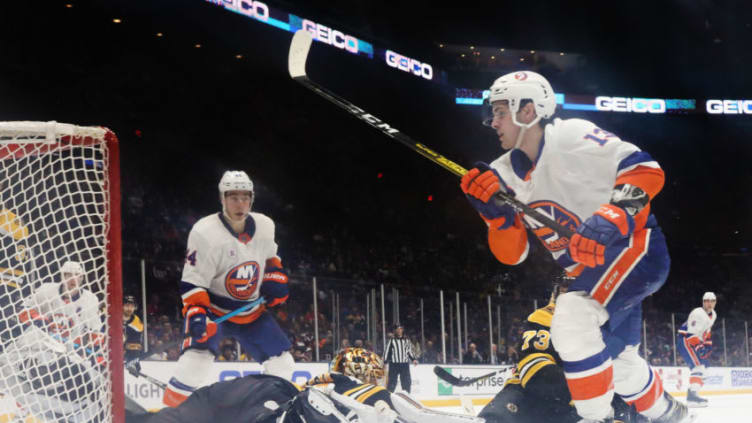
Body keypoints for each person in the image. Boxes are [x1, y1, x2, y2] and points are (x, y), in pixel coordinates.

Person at [461, 71, 687, 422]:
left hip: (635, 249)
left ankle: (595, 419)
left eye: (500, 111)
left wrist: (611, 216)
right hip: (592, 271)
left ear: (528, 110)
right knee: (621, 362)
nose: (492, 122)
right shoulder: (501, 173)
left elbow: (646, 169)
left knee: (572, 319)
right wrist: (497, 219)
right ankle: (670, 414)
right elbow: (513, 255)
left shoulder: (569, 135)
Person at [162, 170, 293, 407]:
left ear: (252, 199)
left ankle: (272, 413)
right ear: (222, 198)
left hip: (251, 311)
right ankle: (167, 413)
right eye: (233, 197)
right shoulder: (205, 232)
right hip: (214, 310)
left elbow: (272, 258)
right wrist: (197, 314)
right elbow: (194, 280)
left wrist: (276, 276)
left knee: (283, 365)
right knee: (195, 364)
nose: (240, 203)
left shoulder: (265, 226)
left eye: (245, 197)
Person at [478, 284, 650, 423]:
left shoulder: (608, 328)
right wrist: (586, 395)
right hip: (528, 396)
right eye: (565, 287)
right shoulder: (545, 316)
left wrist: (626, 409)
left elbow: (618, 378)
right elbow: (537, 375)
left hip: (571, 406)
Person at [677, 291, 717, 407]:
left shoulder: (713, 314)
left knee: (706, 370)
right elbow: (691, 334)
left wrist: (708, 345)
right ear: (703, 302)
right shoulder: (697, 313)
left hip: (695, 341)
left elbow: (706, 331)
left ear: (715, 303)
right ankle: (691, 398)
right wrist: (700, 347)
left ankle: (694, 393)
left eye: (712, 301)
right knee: (698, 367)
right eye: (707, 301)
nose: (709, 303)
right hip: (685, 339)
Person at [383, 324, 418, 393]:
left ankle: (407, 395)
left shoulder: (406, 340)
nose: (399, 330)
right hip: (394, 364)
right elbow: (387, 351)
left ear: (402, 330)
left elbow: (409, 351)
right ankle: (389, 394)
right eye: (398, 329)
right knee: (392, 381)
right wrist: (385, 362)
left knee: (406, 381)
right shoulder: (392, 340)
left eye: (400, 329)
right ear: (395, 331)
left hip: (404, 364)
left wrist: (413, 359)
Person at [124, 294, 144, 361]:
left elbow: (136, 343)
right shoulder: (112, 314)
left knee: (135, 345)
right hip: (109, 348)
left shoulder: (136, 321)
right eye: (127, 306)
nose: (129, 308)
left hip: (126, 351)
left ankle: (132, 362)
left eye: (132, 306)